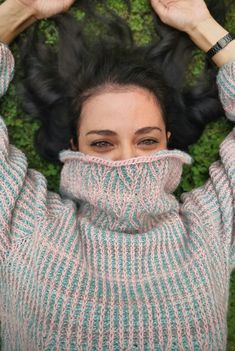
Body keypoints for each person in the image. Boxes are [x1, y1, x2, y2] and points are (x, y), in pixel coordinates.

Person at [0, 0, 234, 350]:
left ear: (167, 141)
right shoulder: (25, 224)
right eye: (102, 144)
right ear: (74, 146)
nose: (127, 160)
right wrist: (22, 7)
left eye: (147, 140)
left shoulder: (210, 229)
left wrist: (202, 25)